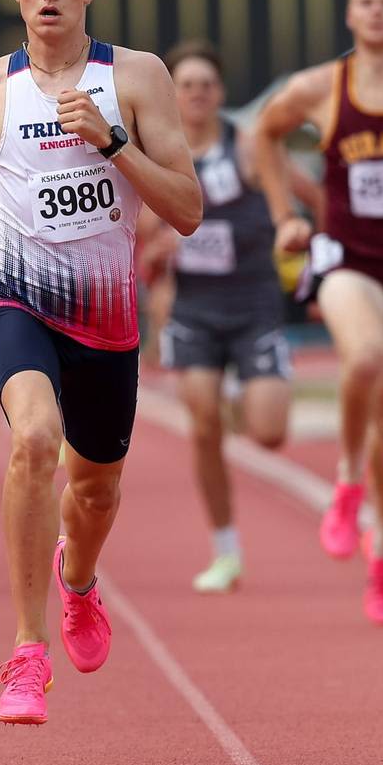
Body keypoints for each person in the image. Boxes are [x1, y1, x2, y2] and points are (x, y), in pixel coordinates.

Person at [0, 0, 202, 725]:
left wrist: (113, 143)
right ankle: (26, 653)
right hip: (12, 291)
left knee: (98, 491)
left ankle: (79, 583)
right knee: (34, 441)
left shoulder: (137, 77)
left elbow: (185, 209)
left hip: (106, 311)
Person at [253, 0, 383, 624]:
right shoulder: (320, 87)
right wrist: (285, 214)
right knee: (362, 356)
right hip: (345, 258)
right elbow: (264, 133)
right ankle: (344, 482)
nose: (375, 12)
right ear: (349, 11)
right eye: (364, 1)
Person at [149, 39, 291, 594]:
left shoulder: (249, 146)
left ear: (221, 93)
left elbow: (296, 193)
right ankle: (226, 550)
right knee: (203, 425)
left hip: (254, 305)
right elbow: (137, 227)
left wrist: (299, 226)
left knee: (270, 434)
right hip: (195, 310)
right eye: (186, 85)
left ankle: (245, 395)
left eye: (206, 84)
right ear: (172, 93)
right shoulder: (156, 151)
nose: (197, 94)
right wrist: (157, 247)